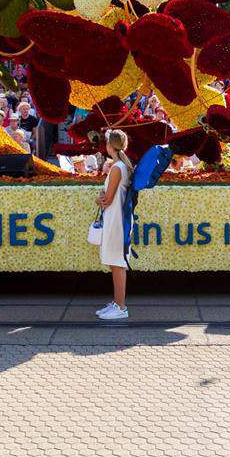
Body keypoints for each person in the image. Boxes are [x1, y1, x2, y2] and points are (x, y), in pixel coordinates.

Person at [95, 129, 133, 321]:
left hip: (116, 218)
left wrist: (98, 199)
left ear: (111, 146)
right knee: (115, 262)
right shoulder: (121, 165)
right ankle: (117, 303)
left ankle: (120, 306)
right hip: (116, 217)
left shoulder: (118, 167)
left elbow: (107, 199)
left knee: (117, 263)